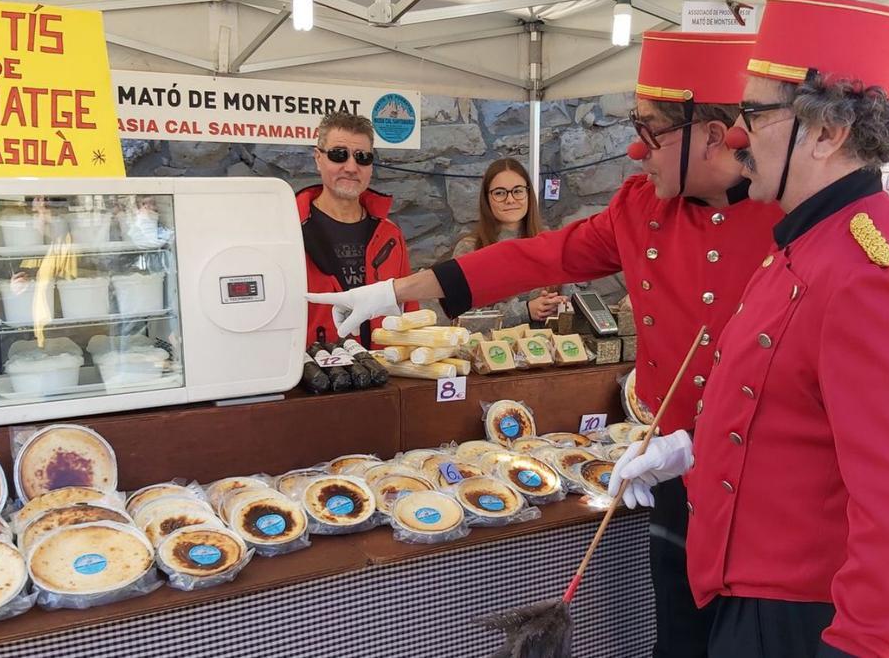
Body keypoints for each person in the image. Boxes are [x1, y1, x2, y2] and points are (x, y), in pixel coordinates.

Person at [307, 32, 783, 658]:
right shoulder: (641, 207)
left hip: (765, 492)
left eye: (651, 129)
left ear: (717, 136)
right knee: (679, 639)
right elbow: (535, 256)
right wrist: (394, 292)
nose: (635, 149)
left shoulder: (790, 215)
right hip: (671, 477)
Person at [613, 0, 889, 657]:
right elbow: (776, 405)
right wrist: (688, 449)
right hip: (746, 591)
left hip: (805, 619)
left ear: (828, 134)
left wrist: (857, 645)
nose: (735, 135)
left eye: (755, 113)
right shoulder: (804, 240)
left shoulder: (870, 271)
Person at [298, 111, 415, 347]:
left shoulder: (390, 233)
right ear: (318, 158)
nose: (351, 167)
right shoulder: (290, 230)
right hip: (314, 373)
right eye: (339, 155)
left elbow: (409, 308)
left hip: (384, 372)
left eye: (362, 157)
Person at [451, 158, 569, 327]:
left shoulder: (550, 241)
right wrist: (525, 310)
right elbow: (461, 319)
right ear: (487, 199)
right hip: (492, 350)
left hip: (548, 348)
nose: (510, 199)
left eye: (518, 191)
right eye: (500, 193)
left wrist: (560, 303)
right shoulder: (469, 248)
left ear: (528, 193)